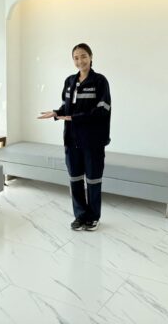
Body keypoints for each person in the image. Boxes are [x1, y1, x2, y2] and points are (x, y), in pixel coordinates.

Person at [38, 43, 111, 231]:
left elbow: (102, 110)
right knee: (75, 179)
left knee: (93, 180)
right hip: (71, 140)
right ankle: (80, 216)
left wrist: (75, 118)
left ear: (91, 57)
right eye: (76, 58)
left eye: (83, 56)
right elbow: (66, 108)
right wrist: (56, 112)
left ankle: (93, 217)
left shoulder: (100, 81)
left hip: (92, 141)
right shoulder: (69, 81)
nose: (80, 61)